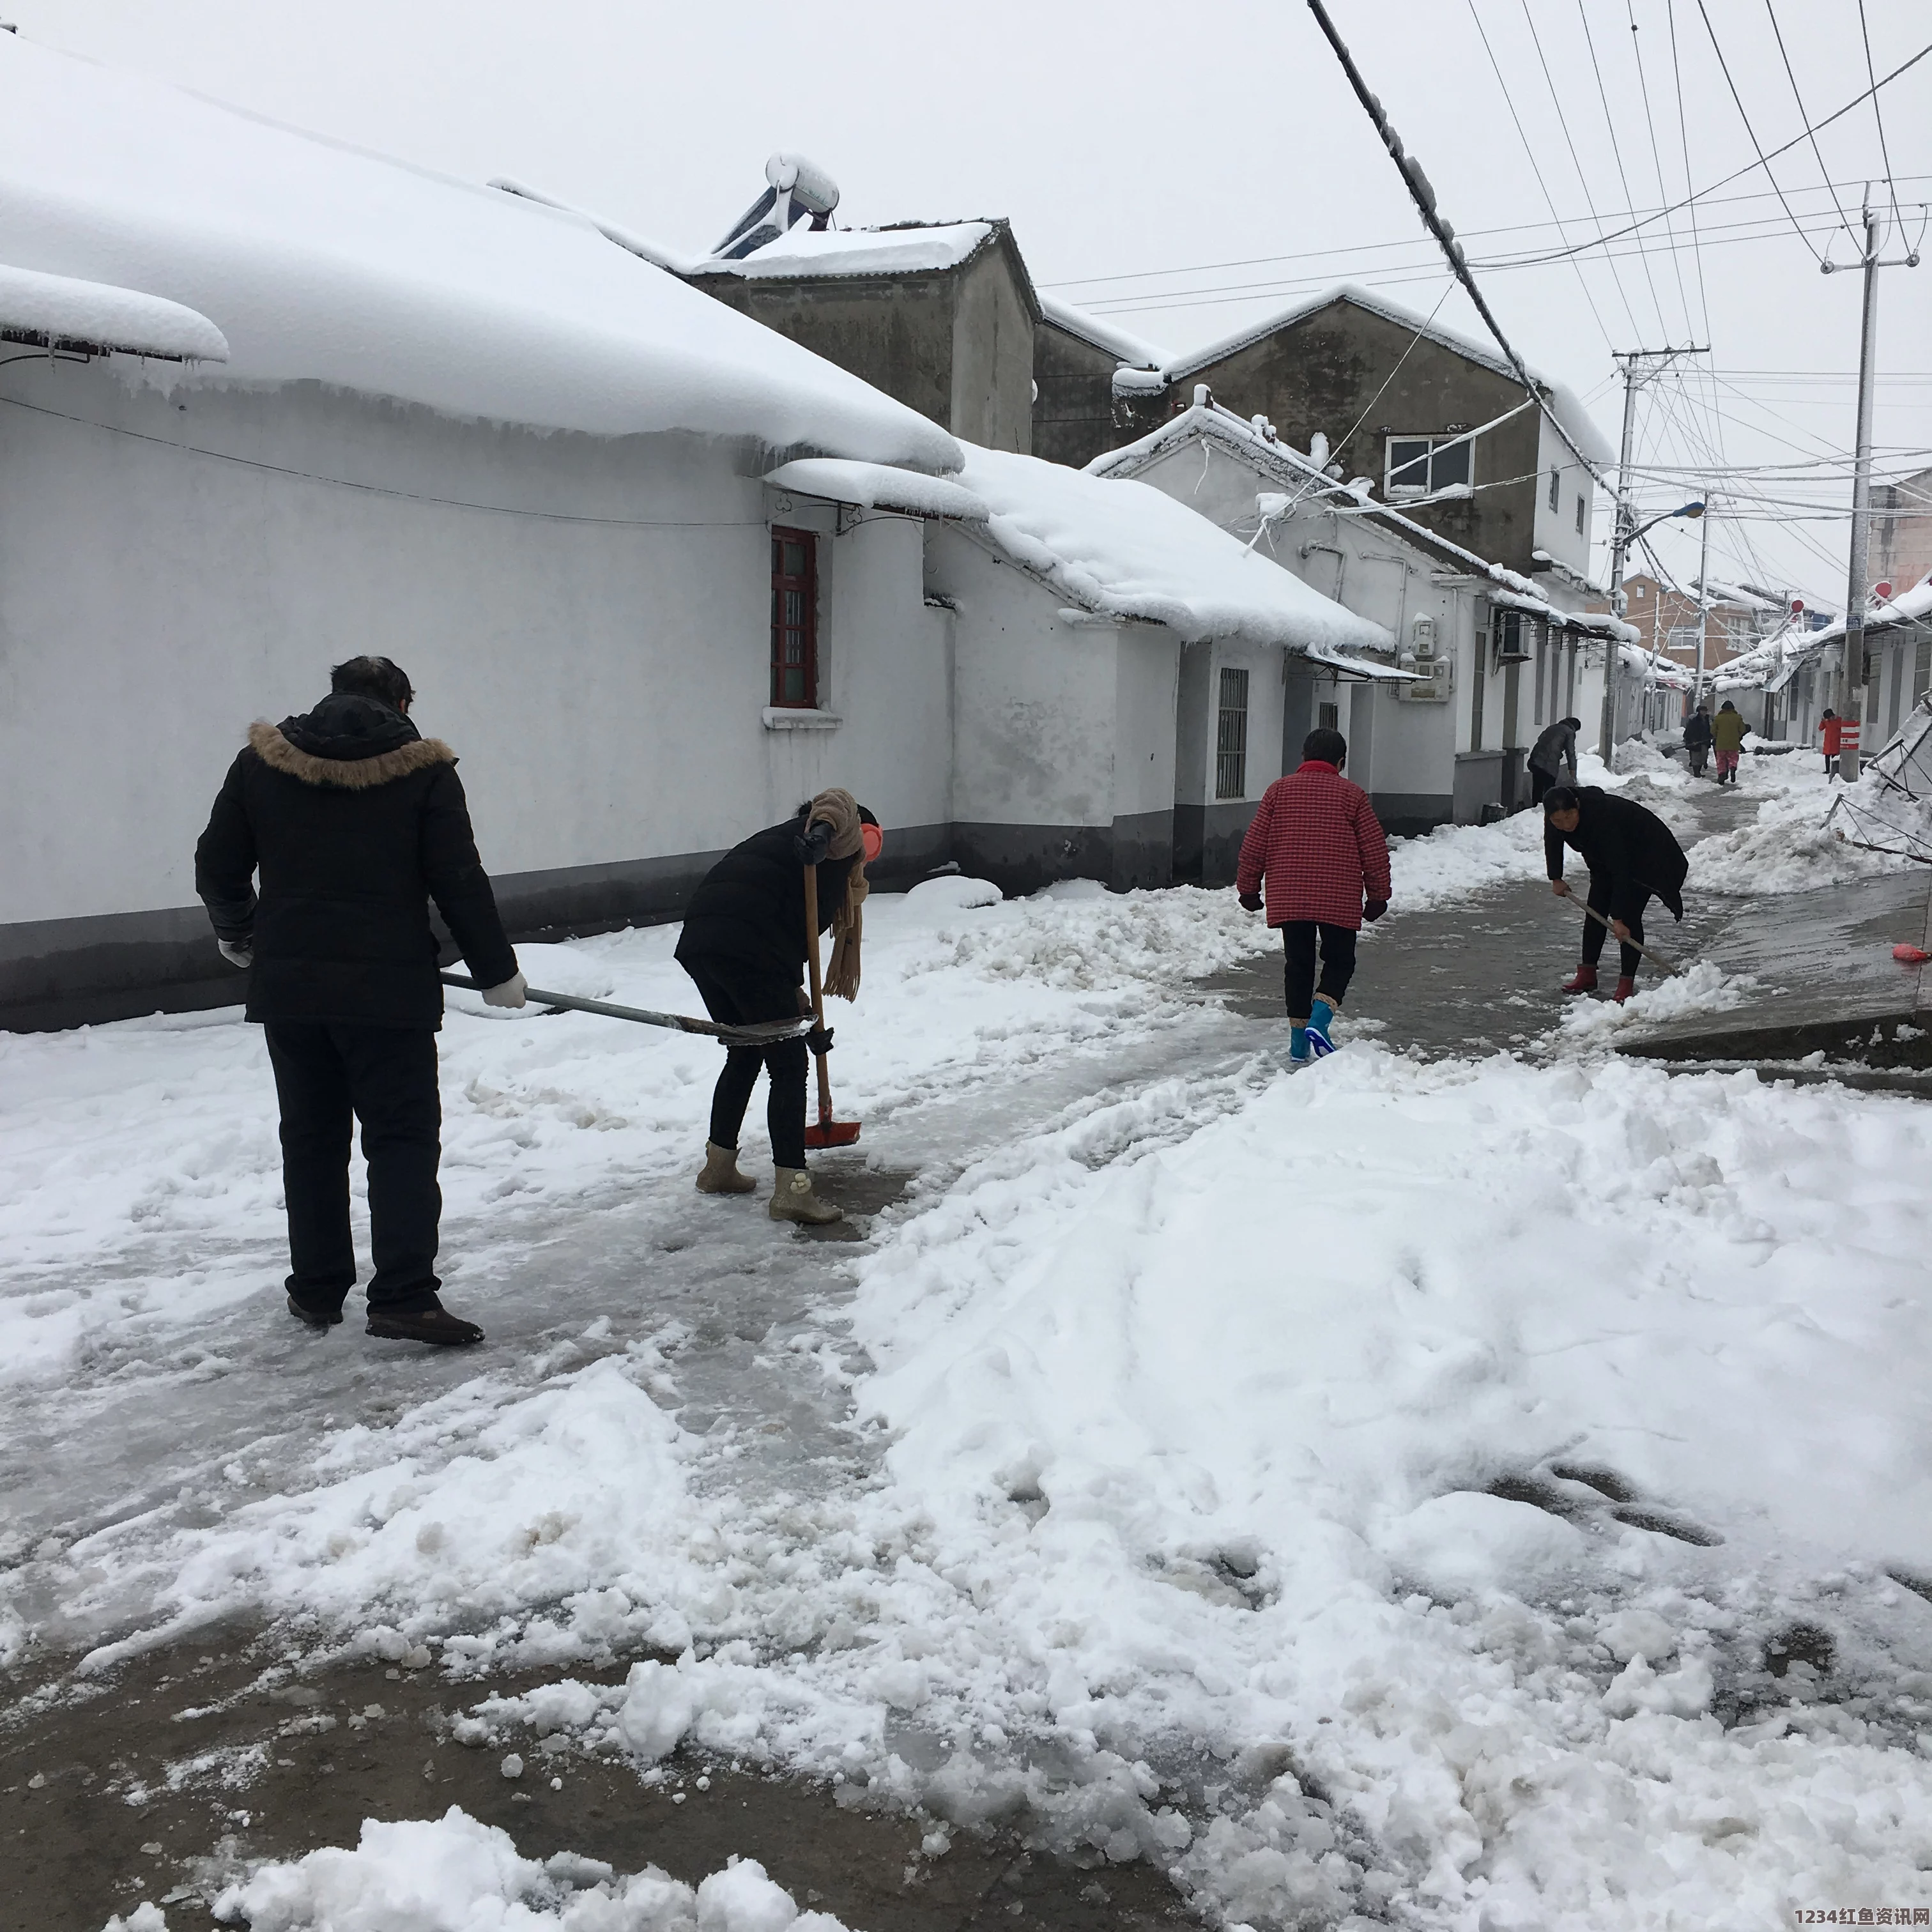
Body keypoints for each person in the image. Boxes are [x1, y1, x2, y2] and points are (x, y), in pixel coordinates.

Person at [195, 657, 525, 1346]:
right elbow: (458, 878)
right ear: (402, 701)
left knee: (311, 1141)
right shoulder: (423, 770)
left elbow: (218, 864)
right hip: (389, 993)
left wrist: (240, 931)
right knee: (401, 1141)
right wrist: (497, 971)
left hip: (291, 990)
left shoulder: (261, 764)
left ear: (333, 693)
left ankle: (316, 1291)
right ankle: (404, 1295)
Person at [675, 790, 881, 1225]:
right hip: (748, 948)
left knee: (746, 1049)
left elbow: (781, 952)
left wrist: (805, 1022)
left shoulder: (788, 849)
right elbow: (834, 809)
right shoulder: (828, 840)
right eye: (871, 842)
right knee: (787, 1066)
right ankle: (793, 1191)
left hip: (704, 943)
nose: (866, 856)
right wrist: (823, 838)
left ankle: (718, 1168)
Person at [1234, 726, 1391, 1064]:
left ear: (1303, 757)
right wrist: (1378, 895)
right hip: (1339, 895)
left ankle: (1297, 1044)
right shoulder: (1353, 796)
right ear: (1341, 761)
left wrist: (1248, 887)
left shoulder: (1278, 792)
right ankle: (1320, 1020)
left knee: (1299, 964)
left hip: (1289, 894)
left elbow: (1254, 843)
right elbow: (1374, 850)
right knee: (1340, 961)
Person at [1544, 782, 1687, 1004]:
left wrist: (1618, 917)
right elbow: (1553, 841)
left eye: (1569, 817)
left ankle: (1626, 982)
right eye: (1557, 821)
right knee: (1595, 912)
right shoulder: (1555, 814)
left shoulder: (1603, 817)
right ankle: (1587, 974)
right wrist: (1556, 877)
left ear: (1578, 807)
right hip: (1605, 859)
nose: (1565, 825)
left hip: (1647, 858)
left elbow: (1621, 869)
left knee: (1628, 919)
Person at [1528, 715, 1583, 805]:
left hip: (1536, 759)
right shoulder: (1569, 732)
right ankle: (1547, 809)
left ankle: (1535, 808)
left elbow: (1540, 739)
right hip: (1549, 762)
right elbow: (1570, 752)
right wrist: (1572, 768)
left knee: (1537, 786)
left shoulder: (1552, 727)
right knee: (1549, 788)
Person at [1711, 699, 1747, 786]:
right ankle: (1732, 768)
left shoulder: (1718, 718)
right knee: (1733, 758)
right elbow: (1742, 729)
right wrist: (1737, 735)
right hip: (1734, 743)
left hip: (1721, 744)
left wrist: (1717, 736)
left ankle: (1721, 775)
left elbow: (1713, 731)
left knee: (1721, 760)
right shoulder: (1738, 718)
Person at [1682, 701, 1714, 779]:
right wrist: (1692, 740)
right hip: (1695, 741)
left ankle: (1699, 770)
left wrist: (1711, 736)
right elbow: (1690, 731)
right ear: (1699, 712)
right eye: (1702, 711)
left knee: (1703, 756)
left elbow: (1710, 730)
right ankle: (1697, 773)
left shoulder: (1708, 720)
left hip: (1705, 741)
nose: (1704, 712)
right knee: (1696, 757)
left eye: (1705, 711)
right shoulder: (1694, 720)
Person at [1820, 708, 1843, 776]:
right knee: (1827, 757)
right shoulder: (1826, 722)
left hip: (1836, 742)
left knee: (1834, 758)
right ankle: (1827, 770)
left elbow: (1843, 729)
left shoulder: (1839, 720)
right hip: (1828, 742)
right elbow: (1820, 728)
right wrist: (1823, 722)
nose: (1828, 720)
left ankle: (1834, 771)